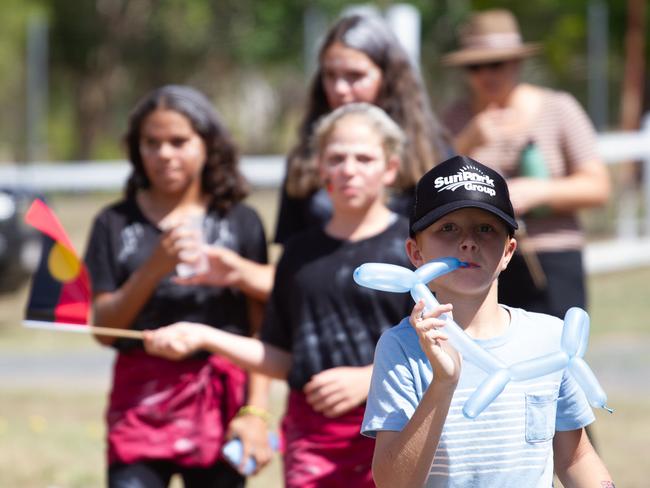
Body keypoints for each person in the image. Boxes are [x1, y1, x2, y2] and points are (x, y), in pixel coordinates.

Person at [143, 103, 415, 487]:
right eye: (336, 158)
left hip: (395, 431)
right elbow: (281, 356)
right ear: (321, 169)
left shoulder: (413, 249)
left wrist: (369, 379)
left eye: (364, 158)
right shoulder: (298, 255)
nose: (349, 169)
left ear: (390, 167)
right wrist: (202, 335)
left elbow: (442, 347)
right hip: (312, 442)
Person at [361, 155, 613, 487]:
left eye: (485, 228)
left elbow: (574, 458)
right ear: (415, 253)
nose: (468, 242)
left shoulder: (550, 338)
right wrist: (442, 383)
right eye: (447, 228)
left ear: (509, 251)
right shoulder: (402, 347)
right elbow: (393, 482)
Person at [83, 85, 269, 487]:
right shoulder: (113, 223)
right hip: (140, 404)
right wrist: (153, 268)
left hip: (220, 401)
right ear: (137, 149)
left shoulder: (241, 222)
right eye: (152, 143)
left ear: (208, 145)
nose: (164, 154)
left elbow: (262, 332)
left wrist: (255, 414)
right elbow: (102, 328)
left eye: (179, 141)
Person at [441, 9, 610, 319]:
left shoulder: (558, 108)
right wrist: (464, 142)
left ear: (517, 62)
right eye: (475, 66)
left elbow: (598, 186)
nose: (486, 74)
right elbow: (427, 188)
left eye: (496, 64)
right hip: (480, 260)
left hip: (552, 255)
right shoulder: (455, 119)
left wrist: (539, 192)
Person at [276, 12, 452, 244]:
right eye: (330, 75)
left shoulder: (430, 154)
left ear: (388, 78)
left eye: (355, 76)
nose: (339, 89)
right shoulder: (306, 156)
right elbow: (290, 253)